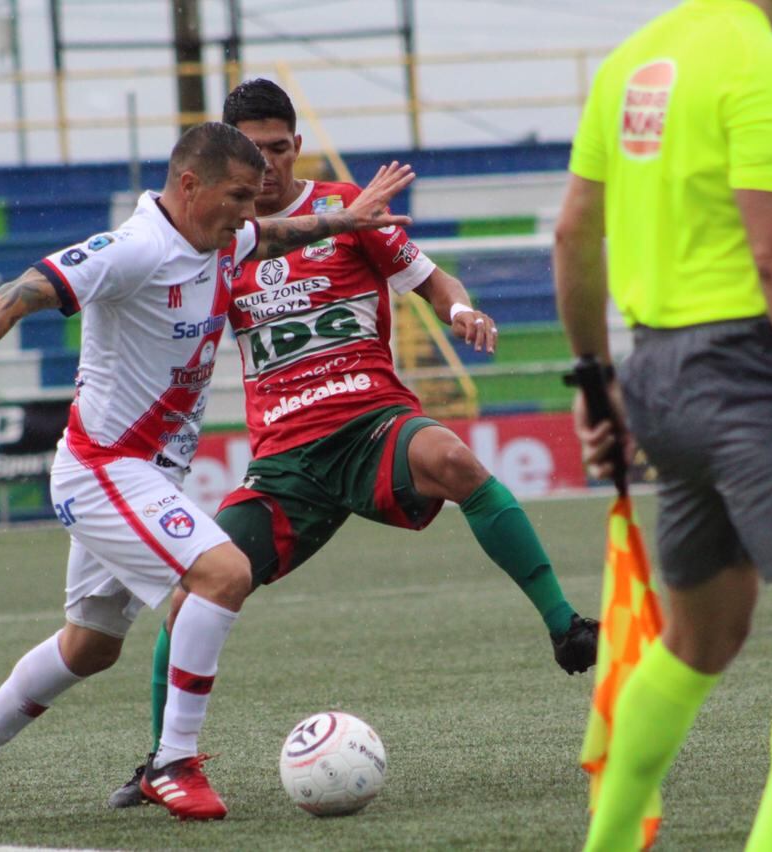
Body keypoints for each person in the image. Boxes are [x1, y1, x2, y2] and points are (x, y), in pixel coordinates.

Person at [0, 121, 414, 823]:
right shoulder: (135, 248)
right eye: (238, 195)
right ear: (189, 184)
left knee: (91, 646)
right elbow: (25, 288)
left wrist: (345, 221)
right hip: (105, 467)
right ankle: (172, 761)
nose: (249, 210)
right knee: (223, 572)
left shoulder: (224, 237)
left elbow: (277, 235)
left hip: (145, 474)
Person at [106, 78, 599, 809]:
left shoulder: (347, 209)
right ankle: (160, 762)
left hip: (371, 426)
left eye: (280, 148)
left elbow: (433, 282)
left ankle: (566, 627)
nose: (269, 166)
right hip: (283, 464)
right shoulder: (217, 237)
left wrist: (461, 309)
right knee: (191, 600)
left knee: (456, 461)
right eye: (254, 153)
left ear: (297, 145)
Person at [552, 2, 772, 850]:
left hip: (656, 374)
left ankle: (608, 843)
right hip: (747, 374)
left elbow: (573, 234)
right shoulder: (764, 67)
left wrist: (600, 385)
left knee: (703, 633)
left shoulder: (631, 62)